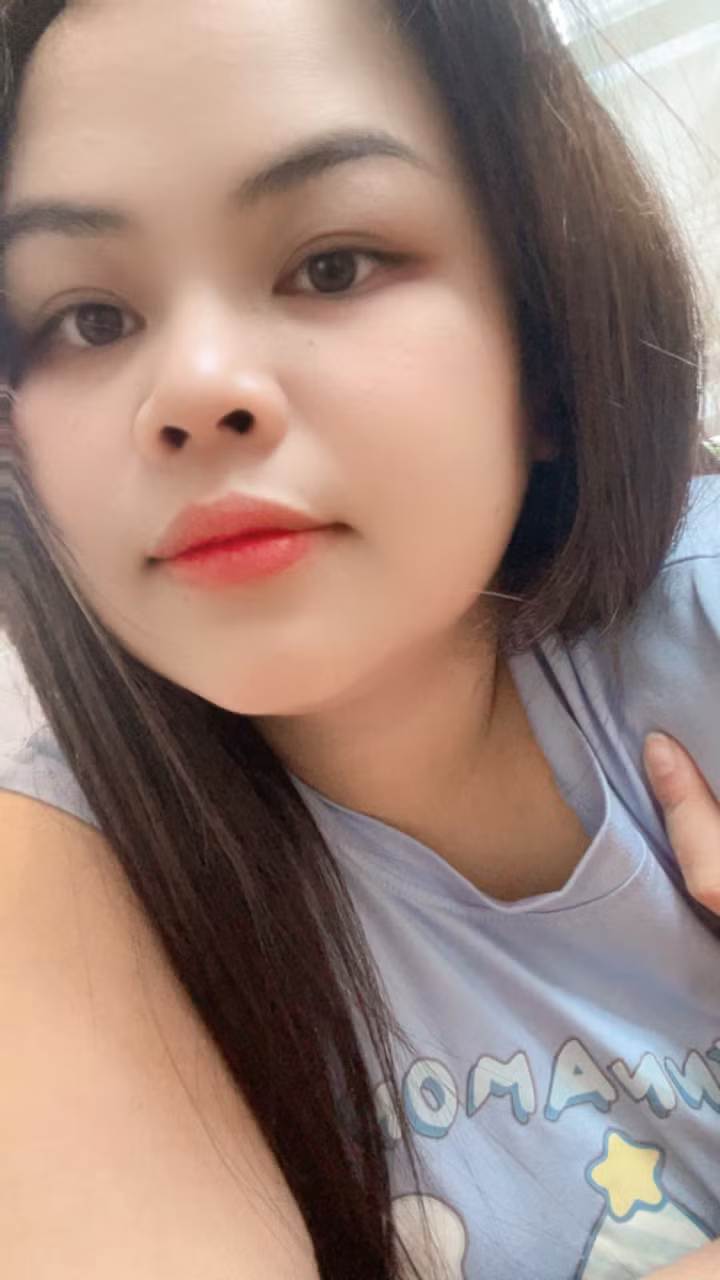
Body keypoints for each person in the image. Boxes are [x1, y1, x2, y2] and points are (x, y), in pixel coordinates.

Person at [0, 0, 718, 1275]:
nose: (194, 390)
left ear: (546, 344)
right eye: (91, 319)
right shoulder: (54, 871)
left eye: (332, 264)